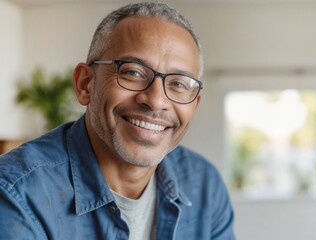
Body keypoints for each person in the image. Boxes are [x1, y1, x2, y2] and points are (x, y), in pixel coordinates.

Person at [0, 2, 235, 239]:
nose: (155, 101)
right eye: (132, 72)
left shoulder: (205, 184)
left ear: (194, 105)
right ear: (85, 84)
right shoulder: (16, 194)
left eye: (178, 84)